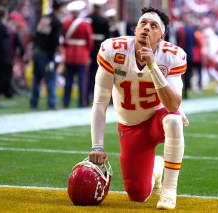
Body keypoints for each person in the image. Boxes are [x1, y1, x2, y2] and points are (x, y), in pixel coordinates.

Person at [88, 7, 189, 210]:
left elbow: (172, 105)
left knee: (174, 119)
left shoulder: (172, 55)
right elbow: (100, 102)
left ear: (161, 36)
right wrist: (97, 146)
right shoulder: (113, 49)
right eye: (143, 23)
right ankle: (156, 168)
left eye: (153, 26)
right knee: (137, 194)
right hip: (131, 126)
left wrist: (152, 65)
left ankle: (169, 191)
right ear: (135, 29)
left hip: (158, 119)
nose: (146, 28)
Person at [29, 0, 65, 109]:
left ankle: (33, 103)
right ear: (59, 8)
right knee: (51, 77)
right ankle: (52, 102)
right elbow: (55, 40)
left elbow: (37, 34)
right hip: (47, 54)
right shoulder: (57, 22)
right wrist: (60, 51)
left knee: (37, 78)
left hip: (37, 52)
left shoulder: (45, 18)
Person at [62, 0, 93, 108]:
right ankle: (82, 102)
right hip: (82, 55)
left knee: (68, 80)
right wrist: (88, 54)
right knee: (81, 80)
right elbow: (90, 41)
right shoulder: (85, 24)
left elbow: (64, 40)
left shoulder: (65, 23)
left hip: (69, 55)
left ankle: (66, 102)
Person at [0, 6, 25, 107]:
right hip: (1, 57)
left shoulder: (0, 26)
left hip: (2, 57)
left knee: (2, 77)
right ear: (5, 15)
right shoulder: (1, 27)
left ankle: (6, 92)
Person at [85, 0, 110, 106]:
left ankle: (86, 97)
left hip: (88, 48)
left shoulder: (88, 18)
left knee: (88, 74)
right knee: (99, 73)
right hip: (99, 48)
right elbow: (107, 36)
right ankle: (96, 96)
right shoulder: (104, 20)